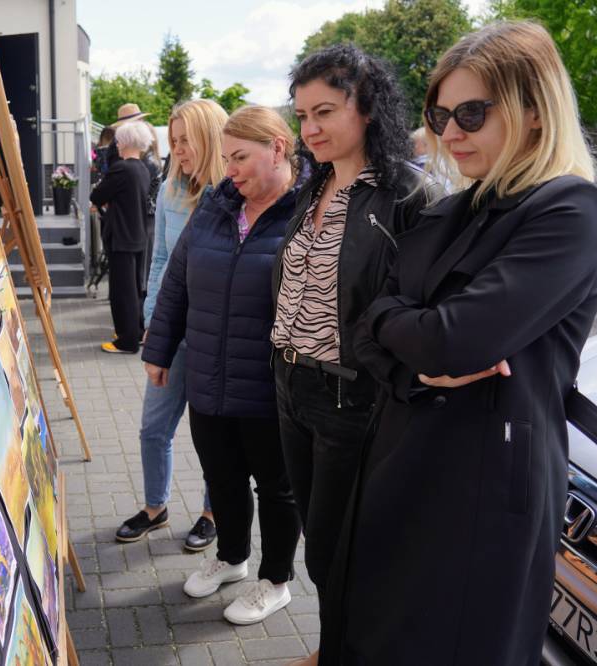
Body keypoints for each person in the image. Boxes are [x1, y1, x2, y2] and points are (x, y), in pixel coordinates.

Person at [329, 21, 597, 665]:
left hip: (480, 489)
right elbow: (364, 328)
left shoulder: (569, 209)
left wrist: (400, 326)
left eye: (472, 114)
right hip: (401, 460)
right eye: (440, 115)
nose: (450, 133)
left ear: (534, 111)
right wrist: (412, 359)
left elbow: (452, 341)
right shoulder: (453, 209)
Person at [270, 44, 438, 665]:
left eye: (325, 112)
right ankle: (335, 646)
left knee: (337, 550)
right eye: (302, 115)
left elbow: (423, 309)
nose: (310, 129)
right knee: (322, 547)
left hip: (351, 395)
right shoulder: (313, 185)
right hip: (290, 384)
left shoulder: (408, 195)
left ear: (367, 108)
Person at [143, 105, 306, 625]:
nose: (229, 169)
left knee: (276, 487)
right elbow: (176, 281)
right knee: (222, 475)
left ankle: (275, 581)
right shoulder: (217, 205)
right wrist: (159, 349)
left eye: (240, 158)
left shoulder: (308, 211)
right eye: (228, 158)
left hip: (269, 385)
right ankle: (232, 558)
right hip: (209, 376)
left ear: (277, 149)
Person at [114, 99, 228, 551]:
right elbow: (159, 258)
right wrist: (153, 320)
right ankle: (155, 507)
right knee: (153, 427)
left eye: (187, 140)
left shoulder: (235, 193)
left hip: (217, 336)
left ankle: (212, 512)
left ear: (211, 138)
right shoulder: (169, 190)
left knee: (214, 435)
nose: (178, 150)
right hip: (172, 331)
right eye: (174, 141)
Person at [90, 120, 153, 353]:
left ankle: (126, 340)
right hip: (137, 234)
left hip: (121, 236)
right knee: (134, 288)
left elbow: (97, 195)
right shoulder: (142, 168)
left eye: (118, 141)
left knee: (121, 291)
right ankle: (135, 332)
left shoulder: (122, 169)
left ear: (124, 142)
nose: (116, 145)